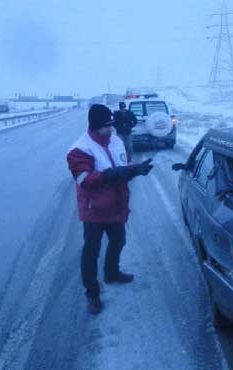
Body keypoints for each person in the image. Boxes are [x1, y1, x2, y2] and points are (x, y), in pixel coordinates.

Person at [66, 104, 153, 314]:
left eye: (112, 124)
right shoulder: (79, 149)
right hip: (94, 209)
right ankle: (92, 295)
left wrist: (135, 170)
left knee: (118, 240)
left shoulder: (115, 140)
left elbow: (122, 165)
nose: (111, 129)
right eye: (107, 125)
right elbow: (84, 180)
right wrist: (112, 174)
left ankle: (111, 273)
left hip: (116, 204)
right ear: (95, 126)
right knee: (91, 252)